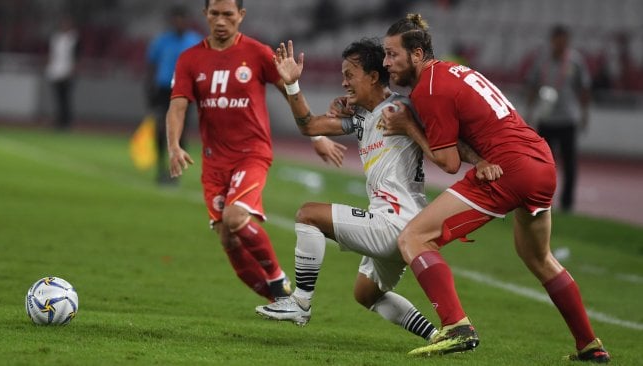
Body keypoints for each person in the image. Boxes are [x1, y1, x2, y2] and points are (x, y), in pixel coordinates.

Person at [381, 14, 610, 362]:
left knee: (413, 238)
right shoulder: (454, 71)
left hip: (510, 168)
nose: (386, 63)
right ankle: (590, 346)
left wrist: (408, 126)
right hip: (541, 161)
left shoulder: (429, 87)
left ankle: (456, 326)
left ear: (416, 54)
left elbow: (447, 162)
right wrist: (480, 158)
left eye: (391, 54)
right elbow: (474, 131)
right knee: (538, 257)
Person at [255, 38, 498, 343]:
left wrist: (481, 160)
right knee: (365, 293)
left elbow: (449, 139)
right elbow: (310, 126)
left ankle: (301, 302)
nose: (343, 82)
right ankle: (435, 335)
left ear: (372, 77)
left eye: (349, 75)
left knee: (308, 215)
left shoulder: (402, 107)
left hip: (397, 222)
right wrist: (291, 85)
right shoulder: (362, 117)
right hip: (400, 224)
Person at [166, 0, 347, 302]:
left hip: (252, 153)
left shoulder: (258, 53)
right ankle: (281, 302)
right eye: (215, 14)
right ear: (205, 15)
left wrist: (317, 136)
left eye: (228, 14)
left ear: (241, 16)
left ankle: (277, 278)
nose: (221, 20)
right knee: (228, 237)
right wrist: (173, 145)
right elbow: (177, 106)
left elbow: (291, 92)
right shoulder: (189, 59)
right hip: (214, 162)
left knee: (236, 217)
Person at [525, 24, 592, 212]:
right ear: (552, 40)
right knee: (544, 163)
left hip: (568, 119)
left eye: (564, 40)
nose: (561, 43)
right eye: (558, 39)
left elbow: (584, 88)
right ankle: (542, 200)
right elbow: (532, 84)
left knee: (570, 163)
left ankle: (568, 203)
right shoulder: (541, 60)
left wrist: (585, 114)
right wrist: (529, 112)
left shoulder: (576, 61)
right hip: (546, 118)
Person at [146, 5, 202, 185]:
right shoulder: (162, 41)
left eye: (182, 19)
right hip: (164, 90)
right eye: (176, 19)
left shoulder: (196, 41)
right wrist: (149, 89)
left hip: (186, 90)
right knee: (162, 129)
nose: (179, 22)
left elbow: (203, 68)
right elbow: (151, 65)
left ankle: (174, 171)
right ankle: (162, 165)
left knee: (182, 132)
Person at [45, 15, 80, 131]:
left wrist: (73, 71)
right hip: (56, 71)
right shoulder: (56, 38)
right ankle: (58, 121)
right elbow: (52, 54)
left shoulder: (74, 38)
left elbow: (77, 56)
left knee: (66, 99)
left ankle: (66, 122)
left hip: (68, 71)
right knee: (57, 98)